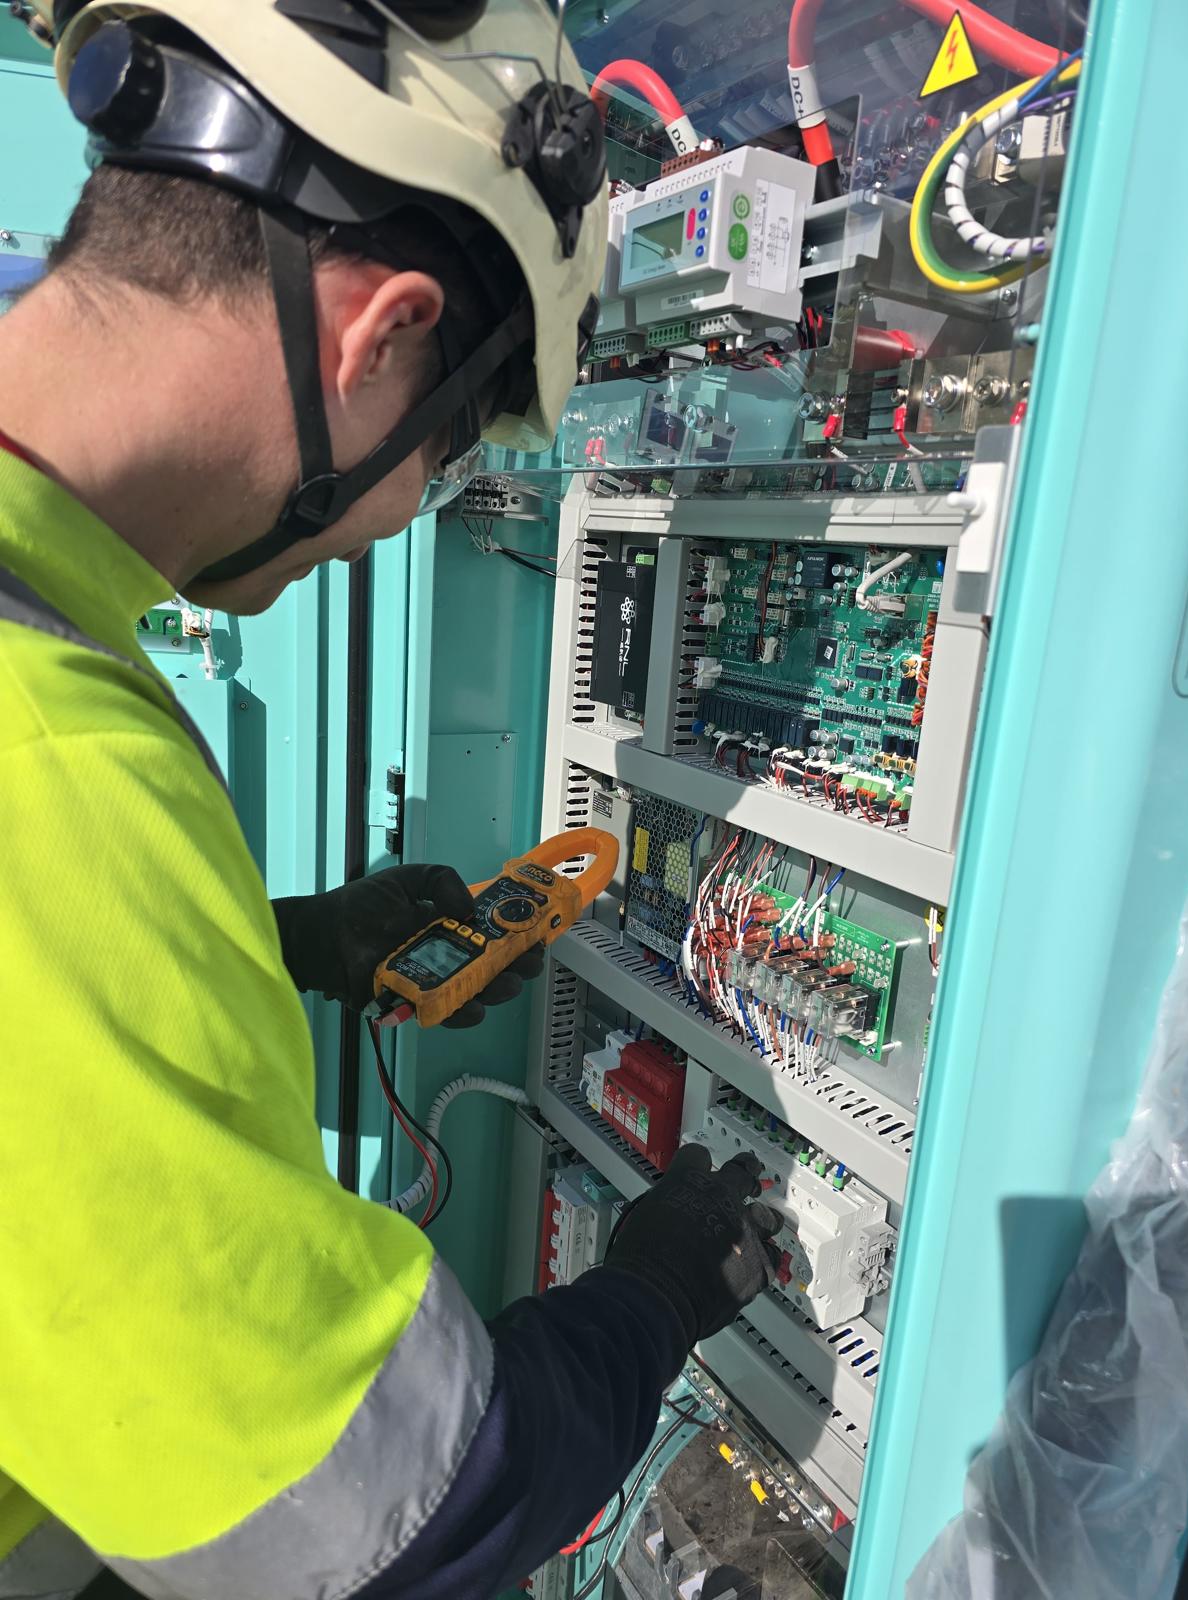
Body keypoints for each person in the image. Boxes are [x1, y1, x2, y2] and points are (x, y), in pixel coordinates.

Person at [0, 3, 783, 1597]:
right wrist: (651, 1295)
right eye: (458, 447)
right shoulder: (51, 764)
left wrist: (285, 940)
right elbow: (407, 1521)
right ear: (381, 333)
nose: (408, 513)